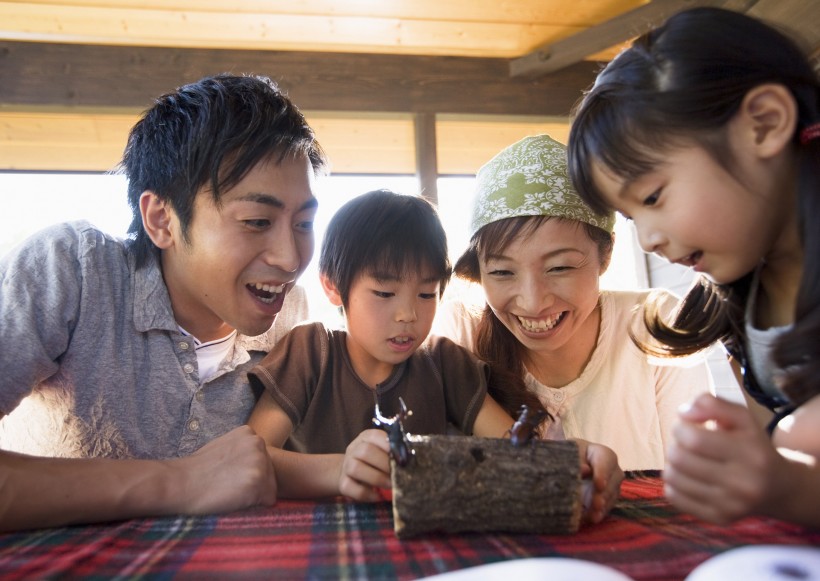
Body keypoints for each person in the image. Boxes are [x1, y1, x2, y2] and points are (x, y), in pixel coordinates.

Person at [0, 73, 328, 532]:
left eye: (304, 224)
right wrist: (178, 481)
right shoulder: (71, 271)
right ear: (162, 219)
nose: (290, 259)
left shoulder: (291, 319)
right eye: (257, 221)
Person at [566, 7, 820, 528]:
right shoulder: (743, 302)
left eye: (654, 195)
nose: (649, 238)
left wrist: (784, 476)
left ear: (764, 123)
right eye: (629, 215)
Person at [247, 189, 623, 523]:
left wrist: (578, 459)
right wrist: (339, 470)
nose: (408, 314)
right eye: (384, 293)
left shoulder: (444, 363)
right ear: (332, 286)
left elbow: (518, 450)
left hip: (426, 543)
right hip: (314, 539)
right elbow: (253, 457)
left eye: (427, 294)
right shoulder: (311, 351)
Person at [435, 134, 713, 472]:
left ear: (605, 254)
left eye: (559, 267)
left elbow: (700, 480)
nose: (534, 302)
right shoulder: (458, 335)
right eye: (503, 272)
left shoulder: (657, 327)